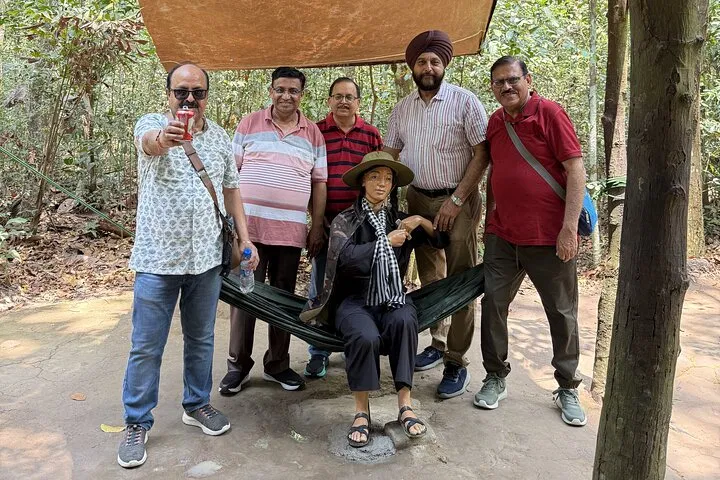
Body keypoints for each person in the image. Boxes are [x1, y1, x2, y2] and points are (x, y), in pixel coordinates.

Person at [118, 63, 258, 468]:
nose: (190, 99)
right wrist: (166, 137)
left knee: (201, 338)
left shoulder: (219, 138)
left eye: (198, 92)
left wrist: (245, 238)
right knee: (146, 345)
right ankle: (136, 422)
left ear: (207, 96)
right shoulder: (152, 124)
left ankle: (196, 404)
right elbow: (150, 143)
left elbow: (232, 191)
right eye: (182, 92)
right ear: (169, 94)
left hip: (206, 259)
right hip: (157, 258)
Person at [300, 151, 446, 447]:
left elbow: (440, 240)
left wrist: (420, 219)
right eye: (375, 177)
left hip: (392, 297)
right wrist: (384, 242)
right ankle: (361, 411)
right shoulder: (345, 220)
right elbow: (345, 259)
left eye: (388, 179)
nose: (382, 183)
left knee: (405, 320)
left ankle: (405, 405)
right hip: (353, 300)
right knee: (364, 336)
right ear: (363, 182)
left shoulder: (399, 220)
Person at [473, 56, 588, 427]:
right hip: (503, 236)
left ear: (528, 80)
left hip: (548, 236)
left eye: (513, 80)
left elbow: (575, 169)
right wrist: (490, 221)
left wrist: (568, 229)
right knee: (493, 304)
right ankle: (495, 375)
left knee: (561, 311)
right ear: (492, 87)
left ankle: (567, 386)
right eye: (499, 82)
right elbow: (495, 172)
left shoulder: (550, 114)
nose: (506, 87)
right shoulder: (496, 122)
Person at [384, 30, 490, 398]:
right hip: (417, 199)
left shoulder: (464, 101)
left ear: (444, 66)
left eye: (434, 61)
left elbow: (482, 153)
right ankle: (438, 341)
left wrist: (457, 200)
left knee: (459, 280)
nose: (427, 67)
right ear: (412, 67)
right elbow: (390, 153)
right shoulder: (403, 108)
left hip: (457, 201)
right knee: (431, 276)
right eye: (421, 62)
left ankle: (456, 362)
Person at [218, 67, 327, 395]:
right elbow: (230, 176)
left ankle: (277, 365)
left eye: (293, 90)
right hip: (248, 231)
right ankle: (238, 366)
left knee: (282, 299)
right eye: (280, 89)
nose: (286, 96)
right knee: (245, 296)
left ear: (302, 95)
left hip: (289, 233)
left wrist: (316, 225)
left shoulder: (313, 134)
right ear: (270, 91)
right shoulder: (249, 124)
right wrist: (232, 226)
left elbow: (319, 182)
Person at [304, 77, 383, 378]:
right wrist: (317, 221)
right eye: (338, 96)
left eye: (350, 97)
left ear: (358, 102)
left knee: (357, 286)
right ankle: (318, 351)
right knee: (321, 287)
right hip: (325, 223)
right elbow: (308, 177)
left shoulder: (371, 134)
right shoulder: (316, 131)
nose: (344, 102)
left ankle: (355, 346)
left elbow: (379, 177)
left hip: (361, 226)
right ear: (329, 101)